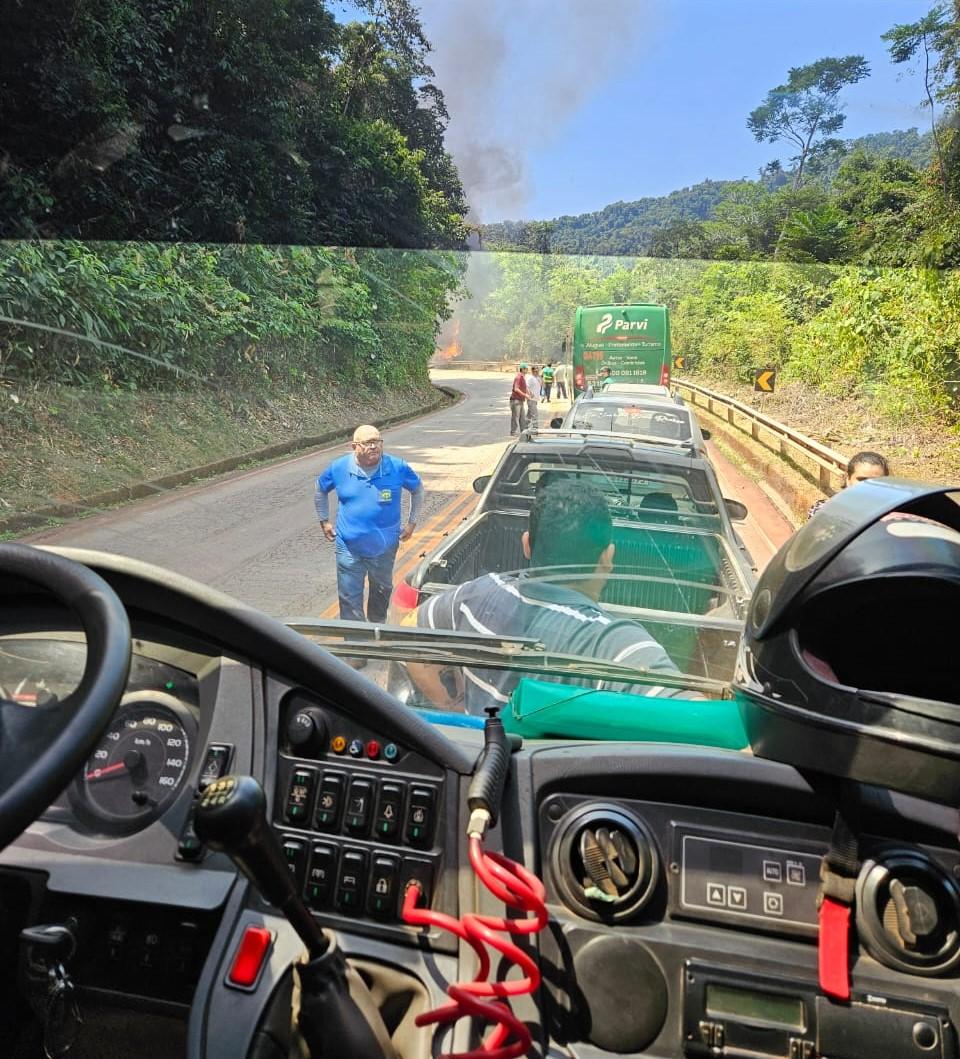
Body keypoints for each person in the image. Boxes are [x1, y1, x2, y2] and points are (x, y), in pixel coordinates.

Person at [408, 480, 683, 714]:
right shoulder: (613, 644)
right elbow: (695, 719)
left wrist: (450, 706)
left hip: (481, 767)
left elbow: (408, 633)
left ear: (526, 544)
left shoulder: (477, 594)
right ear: (607, 558)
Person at [315, 425, 424, 640]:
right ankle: (356, 646)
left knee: (381, 590)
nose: (374, 446)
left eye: (378, 441)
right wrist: (324, 520)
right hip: (348, 547)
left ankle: (377, 629)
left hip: (384, 547)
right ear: (354, 446)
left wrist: (412, 522)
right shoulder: (338, 468)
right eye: (368, 443)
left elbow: (417, 489)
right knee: (349, 597)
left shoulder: (397, 467)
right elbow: (320, 489)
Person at [807, 450, 890, 520]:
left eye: (876, 481)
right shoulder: (824, 511)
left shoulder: (894, 514)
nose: (869, 486)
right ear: (848, 479)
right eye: (862, 480)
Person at [510, 362, 529, 436]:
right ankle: (513, 432)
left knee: (522, 417)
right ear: (522, 369)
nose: (527, 370)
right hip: (516, 400)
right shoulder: (519, 377)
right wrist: (525, 395)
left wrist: (529, 392)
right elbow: (516, 388)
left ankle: (523, 432)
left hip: (520, 400)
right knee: (515, 417)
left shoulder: (522, 377)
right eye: (526, 369)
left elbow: (524, 387)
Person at [524, 365, 542, 431]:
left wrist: (540, 378)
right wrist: (530, 393)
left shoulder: (538, 378)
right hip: (531, 399)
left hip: (535, 399)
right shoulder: (530, 378)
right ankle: (535, 427)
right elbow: (526, 387)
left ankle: (525, 426)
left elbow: (540, 386)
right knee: (535, 414)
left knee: (529, 414)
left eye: (537, 371)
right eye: (535, 371)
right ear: (532, 371)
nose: (536, 372)